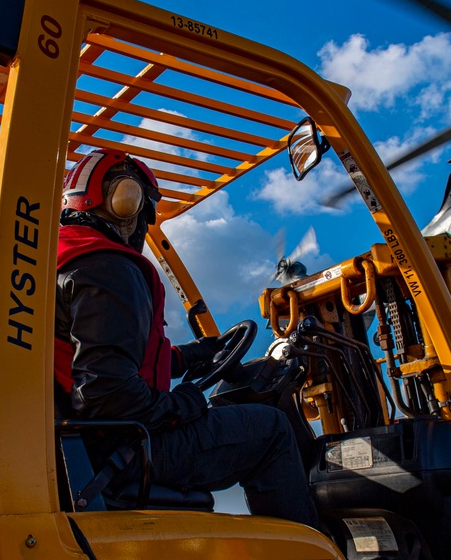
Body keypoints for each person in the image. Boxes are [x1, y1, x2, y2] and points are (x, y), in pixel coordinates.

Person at [54, 148, 320, 528]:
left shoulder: (61, 260)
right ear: (124, 203)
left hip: (90, 446)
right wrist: (183, 404)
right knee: (271, 429)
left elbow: (103, 354)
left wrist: (193, 355)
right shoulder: (108, 268)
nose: (144, 230)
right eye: (146, 216)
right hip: (125, 450)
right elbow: (107, 393)